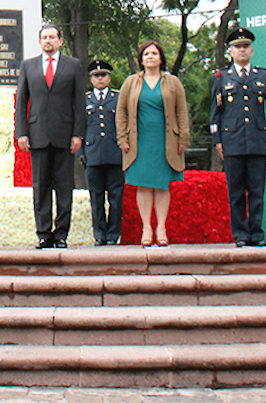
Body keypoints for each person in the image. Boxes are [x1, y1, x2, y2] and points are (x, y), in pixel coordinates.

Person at [15, 23, 86, 249]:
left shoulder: (73, 65)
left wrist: (78, 134)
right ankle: (44, 233)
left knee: (65, 187)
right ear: (39, 42)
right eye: (44, 37)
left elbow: (80, 102)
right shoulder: (28, 66)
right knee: (41, 186)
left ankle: (62, 234)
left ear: (60, 41)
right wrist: (21, 133)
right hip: (37, 135)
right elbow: (21, 102)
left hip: (65, 135)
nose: (48, 41)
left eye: (52, 37)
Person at [116, 39, 189, 247]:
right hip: (139, 141)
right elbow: (121, 110)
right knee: (144, 185)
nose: (150, 57)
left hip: (166, 140)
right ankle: (147, 227)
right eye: (146, 54)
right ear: (141, 59)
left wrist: (183, 137)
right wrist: (122, 137)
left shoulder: (172, 82)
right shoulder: (131, 82)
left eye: (154, 54)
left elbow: (181, 110)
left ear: (161, 58)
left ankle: (161, 228)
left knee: (161, 184)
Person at [210, 27, 266, 247]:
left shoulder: (264, 76)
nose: (242, 50)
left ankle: (256, 233)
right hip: (232, 141)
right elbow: (215, 114)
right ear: (230, 51)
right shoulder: (221, 78)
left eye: (245, 46)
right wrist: (217, 140)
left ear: (252, 50)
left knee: (257, 190)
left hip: (258, 139)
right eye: (237, 47)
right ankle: (240, 234)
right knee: (236, 192)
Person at [77, 59, 125, 246]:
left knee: (116, 197)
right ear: (91, 79)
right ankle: (99, 234)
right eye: (96, 76)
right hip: (92, 154)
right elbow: (79, 128)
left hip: (115, 154)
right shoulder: (84, 99)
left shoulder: (118, 98)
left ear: (109, 77)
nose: (100, 79)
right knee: (96, 197)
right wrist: (80, 152)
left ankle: (113, 234)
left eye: (103, 75)